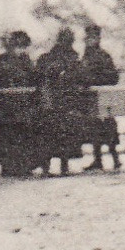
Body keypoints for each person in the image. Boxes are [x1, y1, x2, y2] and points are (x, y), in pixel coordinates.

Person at [36, 28, 86, 176]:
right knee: (63, 134)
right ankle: (63, 166)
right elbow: (79, 77)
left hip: (52, 101)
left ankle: (47, 167)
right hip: (63, 101)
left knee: (50, 134)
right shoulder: (71, 57)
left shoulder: (48, 57)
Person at [0, 31, 41, 177]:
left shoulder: (25, 59)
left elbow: (33, 77)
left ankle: (23, 165)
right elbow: (3, 77)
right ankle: (8, 166)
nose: (21, 49)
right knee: (9, 134)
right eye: (19, 46)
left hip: (22, 102)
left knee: (23, 133)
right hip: (9, 103)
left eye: (23, 46)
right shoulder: (3, 59)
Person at [79, 22, 122, 172]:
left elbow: (112, 77)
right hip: (92, 98)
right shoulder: (87, 56)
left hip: (102, 97)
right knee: (95, 129)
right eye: (88, 38)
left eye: (92, 37)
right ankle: (99, 159)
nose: (89, 40)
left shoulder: (102, 56)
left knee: (106, 128)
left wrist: (93, 79)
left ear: (97, 39)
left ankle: (114, 158)